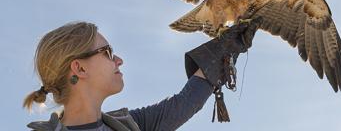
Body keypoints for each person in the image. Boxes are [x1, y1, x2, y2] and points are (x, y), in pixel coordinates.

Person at [23, 20, 260, 131]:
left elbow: (186, 103)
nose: (118, 60)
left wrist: (227, 46)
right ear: (80, 69)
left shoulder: (131, 125)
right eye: (107, 53)